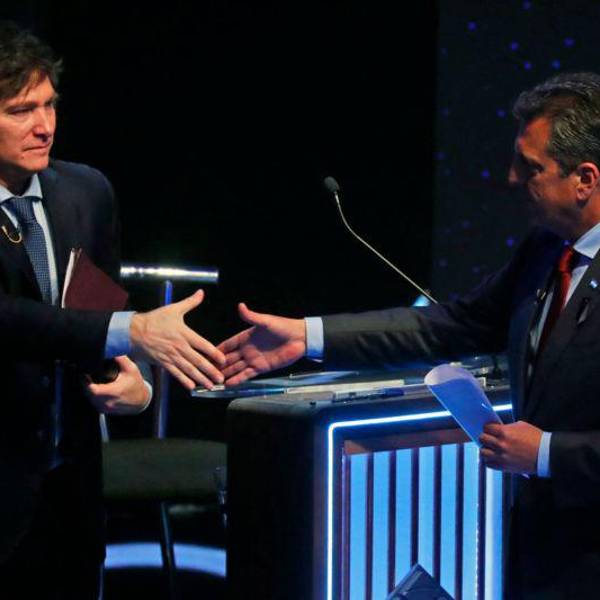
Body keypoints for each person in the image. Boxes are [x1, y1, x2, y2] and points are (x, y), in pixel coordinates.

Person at [219, 72, 600, 598]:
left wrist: (547, 453)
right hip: (540, 553)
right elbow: (448, 324)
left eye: (530, 167)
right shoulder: (544, 252)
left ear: (585, 180)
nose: (512, 179)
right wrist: (308, 336)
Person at [0, 21, 224, 598]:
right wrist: (131, 331)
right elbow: (12, 319)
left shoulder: (86, 192)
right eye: (21, 110)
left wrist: (135, 383)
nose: (45, 126)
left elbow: (95, 313)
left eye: (50, 104)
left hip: (68, 489)